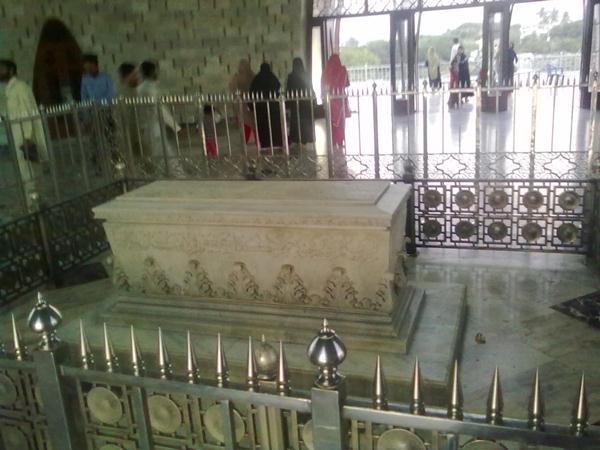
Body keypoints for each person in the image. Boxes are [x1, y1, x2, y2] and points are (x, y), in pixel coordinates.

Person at [0, 59, 48, 206]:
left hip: (25, 139)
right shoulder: (9, 90)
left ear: (11, 70)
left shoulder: (20, 88)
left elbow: (27, 113)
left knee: (30, 174)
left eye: (2, 68)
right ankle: (36, 204)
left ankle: (35, 206)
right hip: (17, 138)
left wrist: (27, 137)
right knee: (27, 174)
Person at [136, 60, 184, 176]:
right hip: (153, 129)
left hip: (149, 128)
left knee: (159, 158)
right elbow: (159, 110)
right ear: (153, 71)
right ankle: (180, 178)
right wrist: (176, 127)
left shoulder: (141, 88)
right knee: (166, 157)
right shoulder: (148, 89)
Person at [249, 62, 283, 150]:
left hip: (260, 109)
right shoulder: (272, 77)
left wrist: (252, 107)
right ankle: (276, 143)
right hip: (273, 108)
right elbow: (278, 89)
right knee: (274, 127)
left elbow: (251, 94)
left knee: (263, 128)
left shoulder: (257, 79)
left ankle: (265, 145)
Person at [321, 54, 350, 149]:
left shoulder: (326, 71)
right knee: (341, 122)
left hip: (330, 100)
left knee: (331, 121)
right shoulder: (342, 70)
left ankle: (333, 141)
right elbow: (347, 84)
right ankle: (340, 141)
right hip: (340, 99)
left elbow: (323, 85)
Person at [285, 57, 315, 146]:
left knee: (296, 121)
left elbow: (288, 91)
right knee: (305, 121)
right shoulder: (306, 75)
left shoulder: (291, 76)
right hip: (306, 102)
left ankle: (297, 139)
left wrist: (288, 102)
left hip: (295, 103)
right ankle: (306, 138)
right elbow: (310, 88)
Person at [229, 59, 256, 144]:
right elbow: (233, 89)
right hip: (246, 103)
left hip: (248, 102)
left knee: (249, 122)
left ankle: (247, 141)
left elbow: (233, 89)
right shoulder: (251, 75)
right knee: (249, 122)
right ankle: (251, 140)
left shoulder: (250, 76)